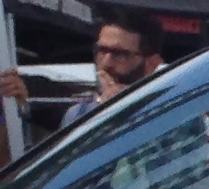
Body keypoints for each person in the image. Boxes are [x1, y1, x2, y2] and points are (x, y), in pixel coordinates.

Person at [1, 7, 164, 131]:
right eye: (101, 51)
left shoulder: (168, 107)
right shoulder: (80, 111)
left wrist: (122, 112)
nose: (106, 62)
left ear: (152, 64)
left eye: (120, 54)